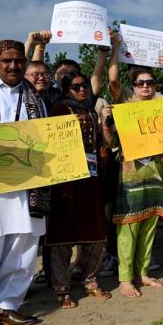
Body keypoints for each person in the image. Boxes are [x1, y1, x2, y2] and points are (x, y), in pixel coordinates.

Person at [0, 40, 46, 325]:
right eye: (7, 60)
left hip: (28, 183)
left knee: (24, 242)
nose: (13, 66)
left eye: (19, 60)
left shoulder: (35, 96)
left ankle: (7, 304)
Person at [105, 67, 163, 297]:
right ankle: (125, 279)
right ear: (134, 86)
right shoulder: (126, 105)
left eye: (149, 82)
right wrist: (116, 48)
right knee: (128, 228)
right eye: (140, 83)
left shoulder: (161, 107)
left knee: (149, 227)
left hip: (156, 173)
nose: (145, 86)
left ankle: (143, 273)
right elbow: (112, 80)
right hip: (130, 175)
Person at [45, 72, 111, 308]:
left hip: (90, 178)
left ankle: (91, 280)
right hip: (65, 179)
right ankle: (61, 289)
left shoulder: (91, 110)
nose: (82, 89)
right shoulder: (59, 108)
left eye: (84, 86)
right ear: (65, 89)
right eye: (76, 86)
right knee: (62, 234)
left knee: (95, 231)